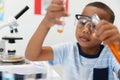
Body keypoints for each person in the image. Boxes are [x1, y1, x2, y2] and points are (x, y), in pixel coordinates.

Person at [25, 0, 120, 80]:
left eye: (94, 26)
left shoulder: (111, 54)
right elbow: (32, 55)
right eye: (82, 22)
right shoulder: (67, 50)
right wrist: (46, 23)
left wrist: (118, 46)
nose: (86, 30)